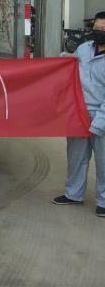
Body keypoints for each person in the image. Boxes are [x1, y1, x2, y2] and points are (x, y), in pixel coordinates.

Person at [52, 11, 105, 217]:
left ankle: (103, 201)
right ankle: (73, 194)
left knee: (103, 161)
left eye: (103, 29)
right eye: (97, 28)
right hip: (78, 112)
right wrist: (63, 58)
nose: (99, 32)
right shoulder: (84, 48)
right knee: (76, 157)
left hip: (101, 113)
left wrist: (99, 122)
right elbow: (68, 64)